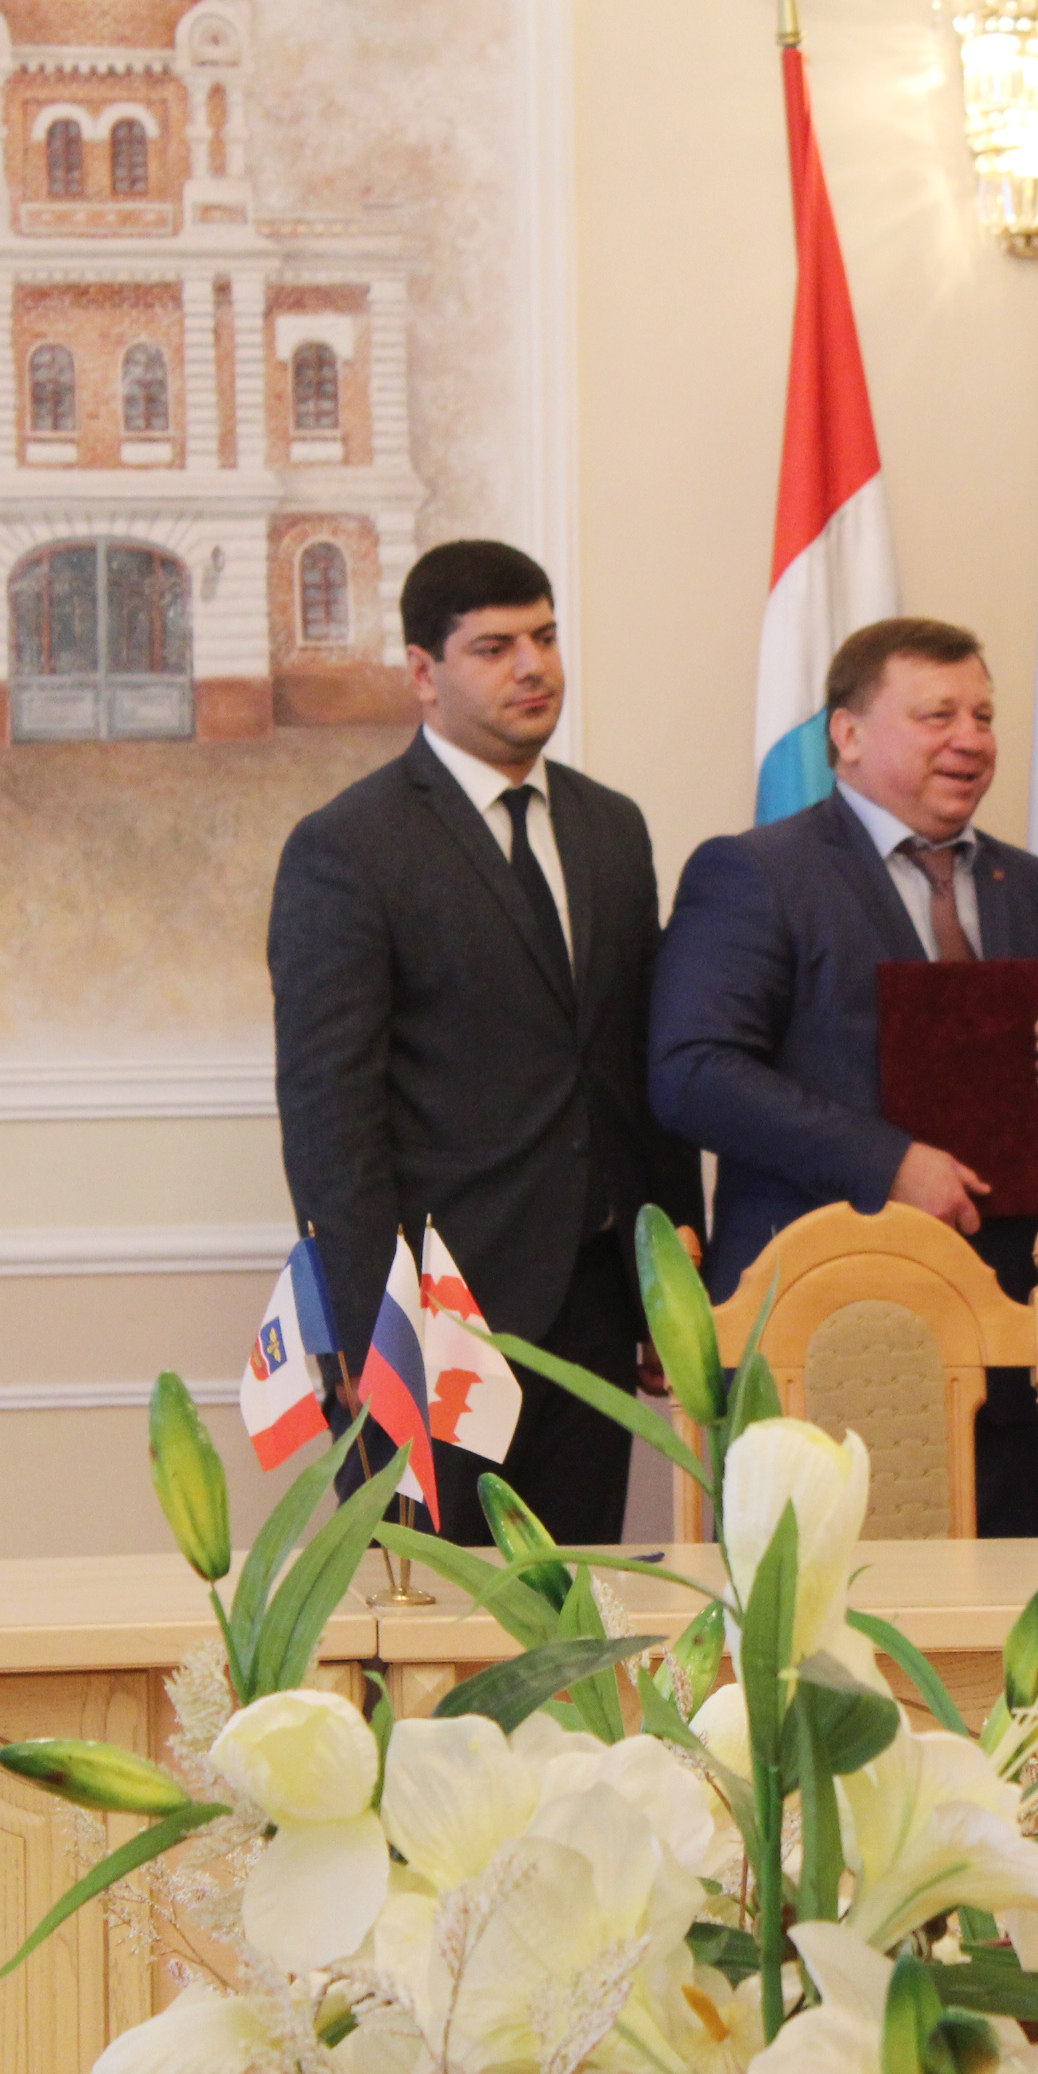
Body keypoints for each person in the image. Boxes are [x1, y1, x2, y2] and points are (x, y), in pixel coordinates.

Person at [267, 539, 701, 1547]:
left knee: (574, 1612)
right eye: (495, 648)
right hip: (435, 1319)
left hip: (595, 1308)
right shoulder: (349, 847)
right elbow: (330, 1119)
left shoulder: (611, 828)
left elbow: (638, 1065)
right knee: (430, 1618)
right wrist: (377, 1334)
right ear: (424, 673)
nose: (533, 667)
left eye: (544, 638)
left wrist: (668, 1278)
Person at [650, 616, 1038, 1536]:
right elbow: (693, 1073)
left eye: (983, 716)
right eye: (938, 715)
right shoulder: (758, 873)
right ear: (849, 734)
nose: (971, 739)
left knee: (1003, 1598)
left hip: (998, 1337)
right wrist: (887, 1164)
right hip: (818, 1325)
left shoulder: (1036, 888)